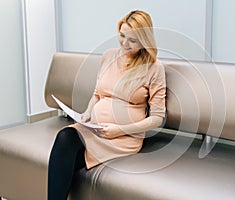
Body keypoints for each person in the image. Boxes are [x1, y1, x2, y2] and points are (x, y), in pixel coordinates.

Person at [48, 10, 166, 200]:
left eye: (133, 40)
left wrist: (119, 129)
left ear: (144, 41)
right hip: (94, 129)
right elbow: (97, 93)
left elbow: (157, 118)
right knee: (65, 137)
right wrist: (86, 114)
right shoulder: (109, 56)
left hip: (123, 137)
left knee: (64, 159)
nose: (125, 44)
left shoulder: (154, 68)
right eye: (122, 36)